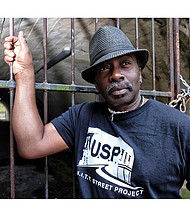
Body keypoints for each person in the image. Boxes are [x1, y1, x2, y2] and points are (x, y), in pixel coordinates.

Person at [4, 25, 190, 199]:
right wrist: (24, 73)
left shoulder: (180, 127)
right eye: (104, 67)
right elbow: (32, 146)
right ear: (95, 82)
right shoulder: (81, 117)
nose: (116, 74)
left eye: (125, 63)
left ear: (140, 73)